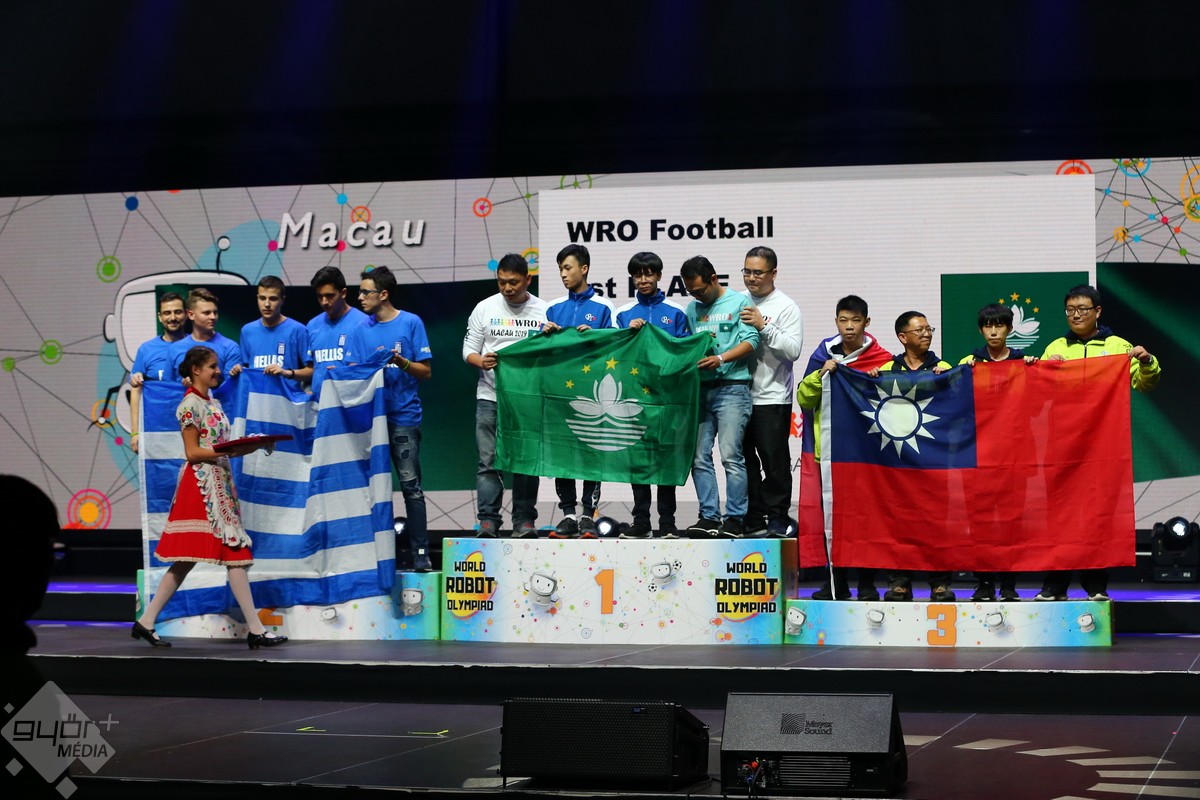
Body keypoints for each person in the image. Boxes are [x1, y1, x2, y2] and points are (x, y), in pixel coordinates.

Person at [132, 346, 287, 649]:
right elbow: (193, 452)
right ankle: (256, 630)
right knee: (234, 552)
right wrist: (228, 450)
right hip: (202, 485)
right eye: (213, 367)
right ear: (196, 371)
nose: (218, 371)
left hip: (219, 480)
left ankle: (146, 621)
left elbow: (220, 448)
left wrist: (252, 445)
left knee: (188, 559)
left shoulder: (211, 401)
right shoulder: (190, 404)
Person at [1034, 284, 1161, 601]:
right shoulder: (1055, 347)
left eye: (1082, 309)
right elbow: (1037, 394)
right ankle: (1054, 586)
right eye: (1070, 310)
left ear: (1098, 311)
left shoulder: (1118, 346)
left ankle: (1095, 586)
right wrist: (1041, 369)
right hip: (1062, 444)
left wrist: (1147, 361)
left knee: (1097, 513)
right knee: (1059, 514)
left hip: (1101, 445)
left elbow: (1143, 384)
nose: (1076, 315)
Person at [796, 295, 892, 600]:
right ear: (836, 321)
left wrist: (878, 381)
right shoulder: (824, 353)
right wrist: (821, 374)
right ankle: (836, 583)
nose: (849, 326)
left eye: (855, 320)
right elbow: (804, 398)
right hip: (830, 452)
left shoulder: (883, 359)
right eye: (843, 320)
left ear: (867, 322)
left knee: (867, 522)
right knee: (832, 521)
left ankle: (867, 584)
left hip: (867, 454)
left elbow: (894, 404)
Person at [346, 266, 434, 572]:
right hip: (370, 421)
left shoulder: (411, 322)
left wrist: (401, 361)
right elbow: (353, 374)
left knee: (411, 487)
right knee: (369, 491)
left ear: (383, 294)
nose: (359, 298)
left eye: (365, 292)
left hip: (403, 418)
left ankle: (421, 552)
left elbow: (425, 371)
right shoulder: (359, 330)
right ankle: (371, 554)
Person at [462, 253, 548, 538]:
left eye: (513, 282)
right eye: (501, 282)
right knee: (488, 462)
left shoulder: (544, 311)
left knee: (526, 462)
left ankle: (524, 520)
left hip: (528, 401)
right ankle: (488, 520)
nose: (507, 288)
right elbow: (468, 350)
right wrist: (480, 360)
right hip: (490, 398)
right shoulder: (484, 308)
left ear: (528, 280)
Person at [871, 311, 954, 601]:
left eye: (929, 329)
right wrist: (871, 380)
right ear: (902, 337)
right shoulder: (887, 369)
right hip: (898, 461)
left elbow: (958, 405)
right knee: (898, 521)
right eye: (919, 330)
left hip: (934, 460)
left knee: (936, 522)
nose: (927, 334)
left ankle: (940, 583)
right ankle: (899, 582)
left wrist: (949, 382)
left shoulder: (944, 368)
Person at [958, 303, 1035, 602]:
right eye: (988, 326)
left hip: (1015, 455)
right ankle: (984, 583)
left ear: (1010, 329)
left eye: (999, 325)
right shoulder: (969, 363)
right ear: (981, 330)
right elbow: (956, 403)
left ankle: (1009, 584)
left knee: (1011, 522)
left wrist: (1035, 373)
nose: (993, 331)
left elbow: (1037, 406)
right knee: (980, 522)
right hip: (977, 455)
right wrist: (951, 375)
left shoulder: (1024, 362)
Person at [681, 255, 760, 538]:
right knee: (698, 457)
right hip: (701, 391)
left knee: (730, 455)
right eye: (691, 292)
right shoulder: (692, 309)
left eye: (700, 290)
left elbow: (752, 341)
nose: (696, 296)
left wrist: (721, 358)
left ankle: (735, 518)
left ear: (714, 279)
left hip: (732, 388)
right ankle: (709, 517)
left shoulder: (739, 302)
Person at [615, 251, 691, 539]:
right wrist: (627, 334)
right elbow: (614, 354)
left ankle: (668, 523)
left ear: (659, 275)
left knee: (666, 459)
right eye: (637, 275)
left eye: (648, 274)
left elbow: (684, 351)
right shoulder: (623, 314)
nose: (643, 279)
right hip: (634, 398)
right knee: (639, 461)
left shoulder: (676, 312)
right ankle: (641, 522)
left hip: (667, 399)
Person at [542, 244, 616, 539]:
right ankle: (568, 516)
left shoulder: (604, 307)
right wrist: (545, 335)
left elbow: (615, 348)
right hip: (560, 394)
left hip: (592, 395)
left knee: (590, 454)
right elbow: (543, 353)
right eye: (560, 269)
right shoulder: (553, 308)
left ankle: (588, 516)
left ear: (584, 269)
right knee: (563, 456)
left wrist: (597, 337)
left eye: (568, 268)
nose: (563, 274)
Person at [738, 246, 804, 538]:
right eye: (747, 272)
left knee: (774, 462)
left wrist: (763, 326)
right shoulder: (736, 301)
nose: (751, 278)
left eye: (758, 273)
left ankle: (778, 516)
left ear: (773, 273)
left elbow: (793, 350)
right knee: (744, 462)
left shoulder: (786, 307)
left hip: (772, 397)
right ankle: (752, 516)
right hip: (737, 395)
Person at [129, 291, 187, 454]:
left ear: (186, 314)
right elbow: (136, 390)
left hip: (192, 428)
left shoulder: (197, 347)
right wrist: (135, 432)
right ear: (160, 317)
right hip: (158, 430)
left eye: (177, 312)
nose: (173, 317)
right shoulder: (146, 349)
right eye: (167, 313)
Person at [231, 275, 312, 389]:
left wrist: (287, 373)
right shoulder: (247, 331)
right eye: (262, 298)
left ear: (282, 300)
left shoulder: (298, 330)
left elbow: (311, 371)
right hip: (257, 397)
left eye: (273, 299)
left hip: (287, 398)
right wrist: (237, 369)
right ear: (257, 298)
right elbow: (245, 368)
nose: (267, 304)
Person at [307, 265, 368, 401]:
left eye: (329, 296)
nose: (324, 302)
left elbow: (370, 370)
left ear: (343, 293)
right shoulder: (312, 325)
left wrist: (344, 373)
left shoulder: (363, 323)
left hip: (351, 404)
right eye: (320, 296)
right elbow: (311, 368)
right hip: (319, 405)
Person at [168, 287, 242, 381]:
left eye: (215, 312)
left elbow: (230, 385)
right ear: (191, 315)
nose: (213, 317)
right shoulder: (175, 349)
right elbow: (167, 386)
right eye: (207, 313)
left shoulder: (230, 348)